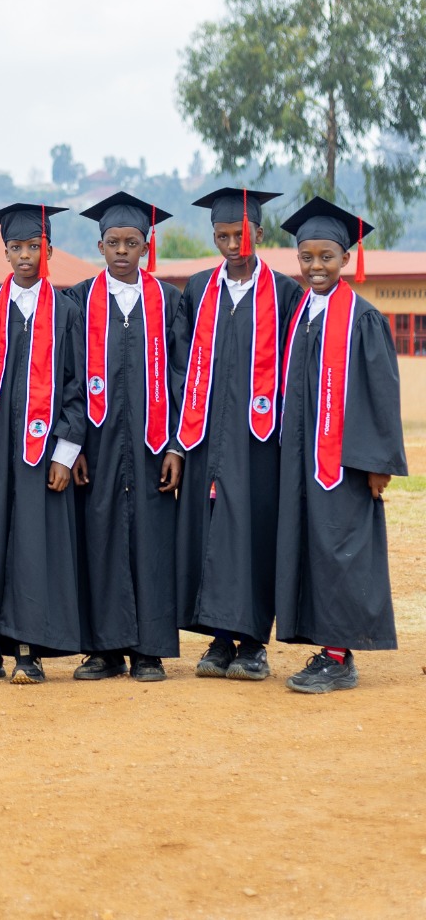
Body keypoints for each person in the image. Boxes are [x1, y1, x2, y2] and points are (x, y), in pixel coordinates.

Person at [165, 187, 303, 682]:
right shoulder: (198, 289)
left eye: (240, 235)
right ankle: (219, 638)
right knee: (207, 532)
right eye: (222, 236)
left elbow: (295, 369)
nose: (232, 245)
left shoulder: (285, 293)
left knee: (253, 532)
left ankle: (253, 644)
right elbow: (179, 367)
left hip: (259, 442)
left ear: (259, 233)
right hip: (204, 436)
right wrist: (178, 442)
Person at [274, 198, 407, 694]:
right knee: (309, 545)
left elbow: (380, 393)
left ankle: (339, 657)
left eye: (326, 257)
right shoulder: (300, 313)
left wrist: (377, 463)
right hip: (300, 458)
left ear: (346, 259)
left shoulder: (362, 318)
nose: (316, 266)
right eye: (306, 257)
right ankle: (324, 646)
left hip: (344, 462)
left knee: (339, 549)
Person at [0, 203, 86, 684]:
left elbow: (78, 388)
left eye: (34, 246)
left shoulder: (66, 312)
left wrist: (66, 453)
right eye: (16, 247)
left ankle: (30, 650)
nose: (25, 255)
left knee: (34, 544)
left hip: (43, 450)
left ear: (49, 250)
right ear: (4, 251)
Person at [61, 196, 183, 684]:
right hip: (97, 446)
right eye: (113, 242)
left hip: (154, 445)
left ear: (146, 246)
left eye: (132, 242)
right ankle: (104, 650)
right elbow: (68, 378)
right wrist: (72, 447)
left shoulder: (169, 300)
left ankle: (149, 652)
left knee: (153, 541)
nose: (122, 251)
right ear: (99, 246)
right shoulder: (77, 300)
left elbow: (182, 377)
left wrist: (176, 445)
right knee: (100, 536)